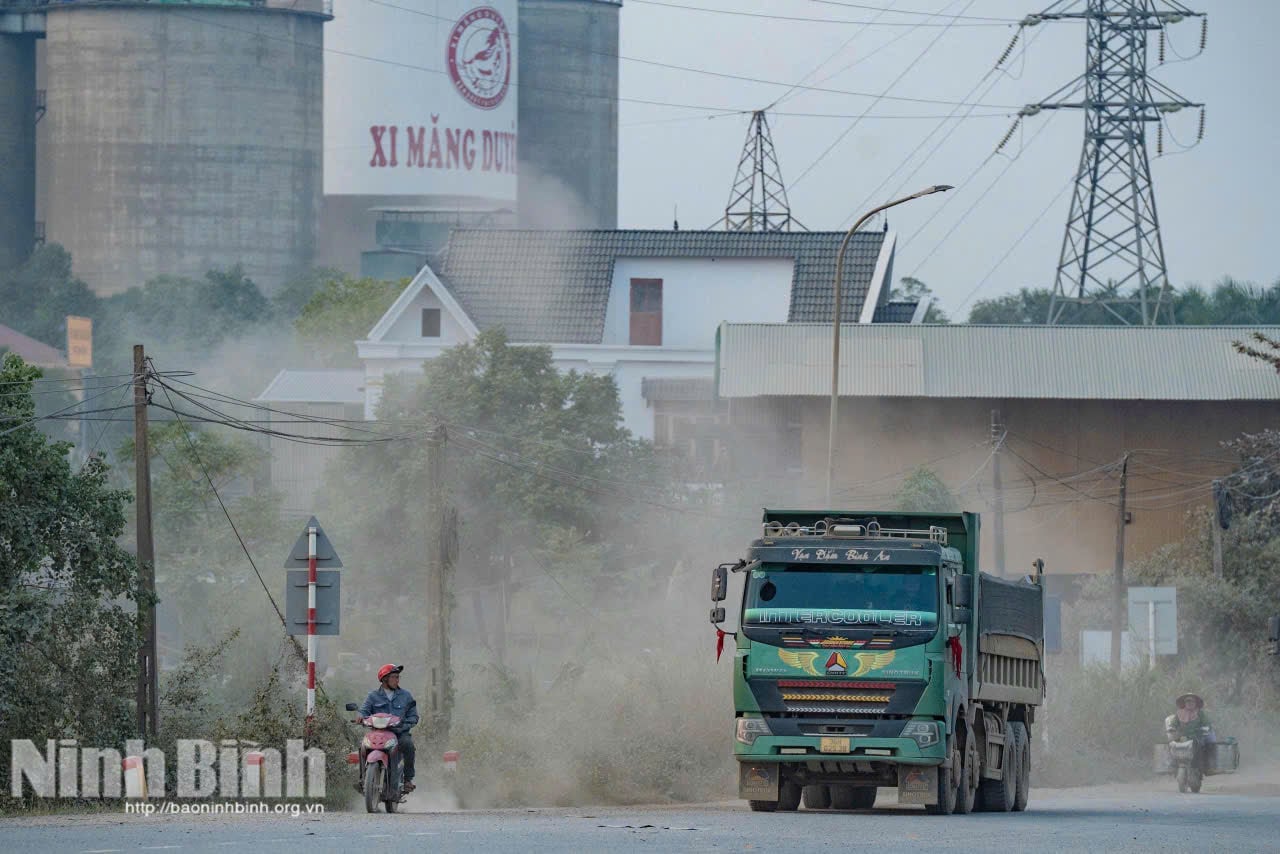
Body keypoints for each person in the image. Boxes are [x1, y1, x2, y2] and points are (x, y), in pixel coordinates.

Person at [359, 663, 419, 793]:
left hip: (399, 734)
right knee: (363, 745)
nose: (397, 680)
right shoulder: (373, 696)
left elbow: (413, 716)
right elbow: (364, 711)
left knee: (408, 745)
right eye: (394, 677)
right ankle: (363, 778)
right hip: (378, 733)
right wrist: (360, 717)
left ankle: (408, 779)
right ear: (384, 679)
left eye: (398, 677)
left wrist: (406, 724)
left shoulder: (406, 696)